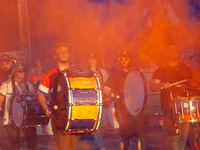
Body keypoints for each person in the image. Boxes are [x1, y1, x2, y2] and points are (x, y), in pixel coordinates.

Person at [103, 50, 149, 150]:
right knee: (124, 133)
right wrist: (113, 95)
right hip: (122, 108)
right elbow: (106, 90)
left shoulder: (137, 73)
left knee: (142, 132)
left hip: (138, 108)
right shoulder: (115, 75)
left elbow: (144, 90)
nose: (123, 61)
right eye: (121, 59)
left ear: (130, 59)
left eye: (126, 58)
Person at [149, 43, 192, 150]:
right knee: (174, 137)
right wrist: (162, 85)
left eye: (175, 50)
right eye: (170, 51)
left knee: (183, 137)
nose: (174, 53)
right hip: (168, 108)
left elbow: (194, 84)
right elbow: (152, 87)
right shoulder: (161, 70)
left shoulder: (185, 69)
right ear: (166, 54)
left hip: (185, 107)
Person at [37, 45, 80, 150]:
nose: (64, 54)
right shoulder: (50, 74)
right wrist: (45, 107)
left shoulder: (77, 72)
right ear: (56, 56)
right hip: (58, 117)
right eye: (61, 52)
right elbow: (40, 93)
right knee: (63, 147)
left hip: (75, 117)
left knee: (73, 146)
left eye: (66, 52)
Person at [0, 63, 37, 150]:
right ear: (14, 73)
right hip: (11, 118)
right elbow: (0, 97)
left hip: (27, 117)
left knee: (32, 140)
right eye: (20, 71)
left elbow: (34, 98)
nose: (23, 73)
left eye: (24, 71)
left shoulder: (29, 84)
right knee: (14, 144)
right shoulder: (6, 84)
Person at [87, 53, 109, 150]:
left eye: (93, 59)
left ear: (96, 60)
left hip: (102, 101)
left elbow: (108, 85)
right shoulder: (85, 72)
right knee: (96, 124)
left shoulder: (103, 72)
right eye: (89, 59)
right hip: (91, 102)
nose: (91, 61)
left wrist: (108, 98)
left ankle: (98, 142)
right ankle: (100, 145)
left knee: (104, 122)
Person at [0, 54, 14, 150]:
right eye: (3, 64)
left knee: (14, 138)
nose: (5, 66)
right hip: (2, 112)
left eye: (7, 64)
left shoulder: (16, 75)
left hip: (15, 112)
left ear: (11, 64)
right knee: (4, 138)